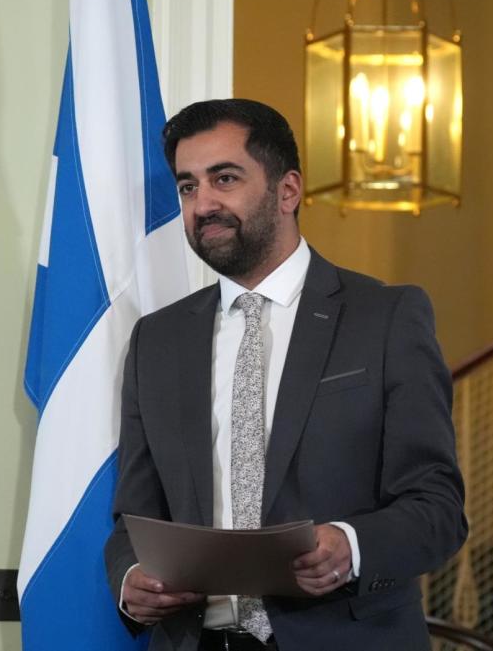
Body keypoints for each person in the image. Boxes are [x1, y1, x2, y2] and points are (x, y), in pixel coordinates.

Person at [104, 99, 467, 651]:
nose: (203, 204)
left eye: (224, 178)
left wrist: (351, 545)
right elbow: (134, 516)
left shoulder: (387, 317)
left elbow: (437, 506)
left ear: (288, 190)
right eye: (187, 187)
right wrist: (132, 581)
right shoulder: (157, 340)